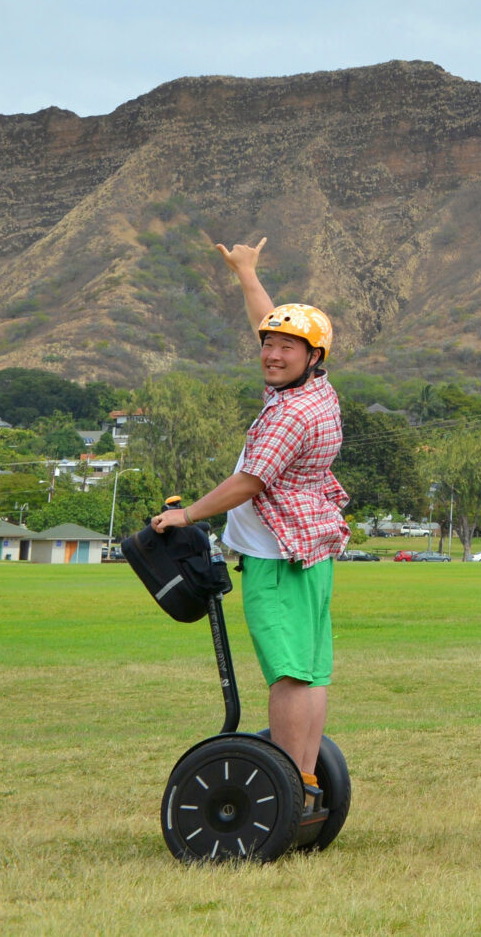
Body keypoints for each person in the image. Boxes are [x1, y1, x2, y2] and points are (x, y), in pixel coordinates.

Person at [148, 237, 349, 811]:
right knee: (309, 673)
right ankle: (306, 780)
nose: (271, 353)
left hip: (277, 557)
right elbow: (269, 324)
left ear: (312, 357)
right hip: (312, 551)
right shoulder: (318, 392)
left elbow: (249, 483)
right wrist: (246, 273)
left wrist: (185, 514)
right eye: (269, 344)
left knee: (286, 676)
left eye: (287, 347)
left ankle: (288, 788)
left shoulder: (287, 414)